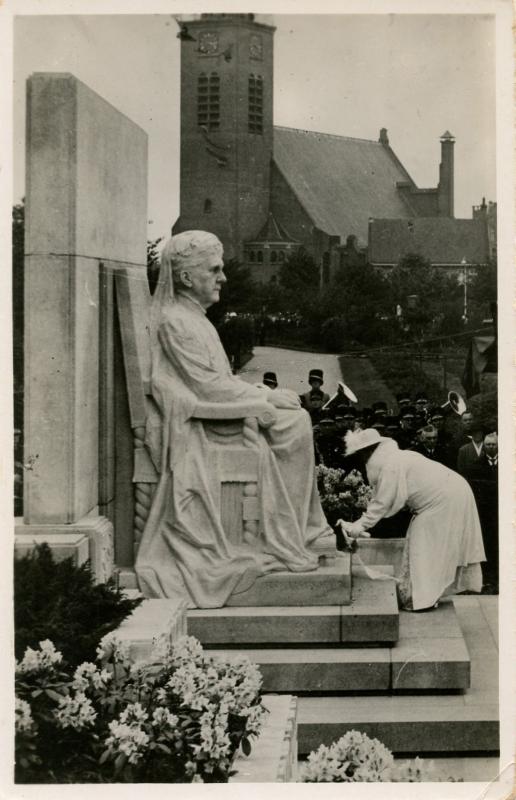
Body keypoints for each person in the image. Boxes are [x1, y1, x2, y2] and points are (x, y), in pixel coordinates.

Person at [135, 231, 334, 607]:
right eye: (214, 270)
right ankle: (297, 531)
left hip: (215, 416)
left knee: (292, 416)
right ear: (186, 277)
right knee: (293, 424)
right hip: (205, 428)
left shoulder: (195, 319)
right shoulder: (176, 322)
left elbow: (220, 382)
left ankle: (301, 528)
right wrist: (265, 397)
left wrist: (262, 393)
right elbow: (208, 389)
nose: (223, 278)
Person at [339, 429, 485, 611]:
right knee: (423, 543)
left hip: (446, 499)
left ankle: (422, 599)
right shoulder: (395, 459)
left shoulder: (390, 465)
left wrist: (356, 527)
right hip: (450, 494)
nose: (362, 458)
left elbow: (381, 504)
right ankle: (425, 596)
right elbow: (382, 500)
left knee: (422, 544)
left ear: (371, 450)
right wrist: (358, 525)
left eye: (362, 453)